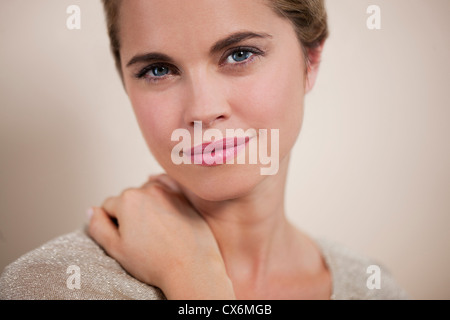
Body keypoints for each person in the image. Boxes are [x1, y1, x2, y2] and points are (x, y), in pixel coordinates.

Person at [0, 0, 408, 300]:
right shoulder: (53, 285)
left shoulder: (374, 288)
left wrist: (197, 285)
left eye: (239, 54)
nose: (202, 110)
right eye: (158, 70)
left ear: (311, 59)